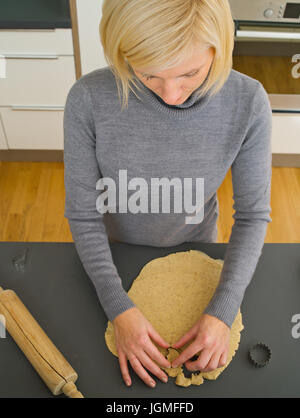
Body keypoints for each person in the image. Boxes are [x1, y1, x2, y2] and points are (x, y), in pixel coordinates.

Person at [63, 0, 272, 389]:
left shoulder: (248, 102)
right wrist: (117, 306)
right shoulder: (88, 99)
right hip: (113, 253)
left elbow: (252, 215)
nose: (171, 94)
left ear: (220, 47)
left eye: (190, 72)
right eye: (148, 75)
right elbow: (83, 214)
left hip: (197, 247)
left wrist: (223, 311)